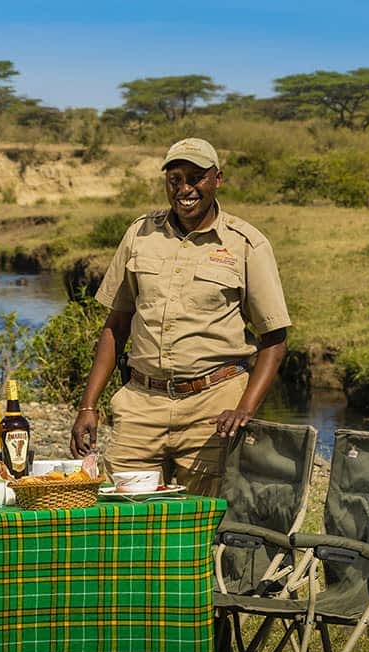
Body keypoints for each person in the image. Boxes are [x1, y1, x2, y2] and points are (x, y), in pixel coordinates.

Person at [70, 138, 291, 497]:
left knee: (202, 520)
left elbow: (275, 338)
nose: (185, 189)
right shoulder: (140, 233)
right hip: (142, 401)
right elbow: (117, 325)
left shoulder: (245, 244)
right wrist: (88, 406)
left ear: (217, 179)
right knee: (124, 515)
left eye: (196, 178)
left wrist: (244, 409)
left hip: (214, 404)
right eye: (175, 179)